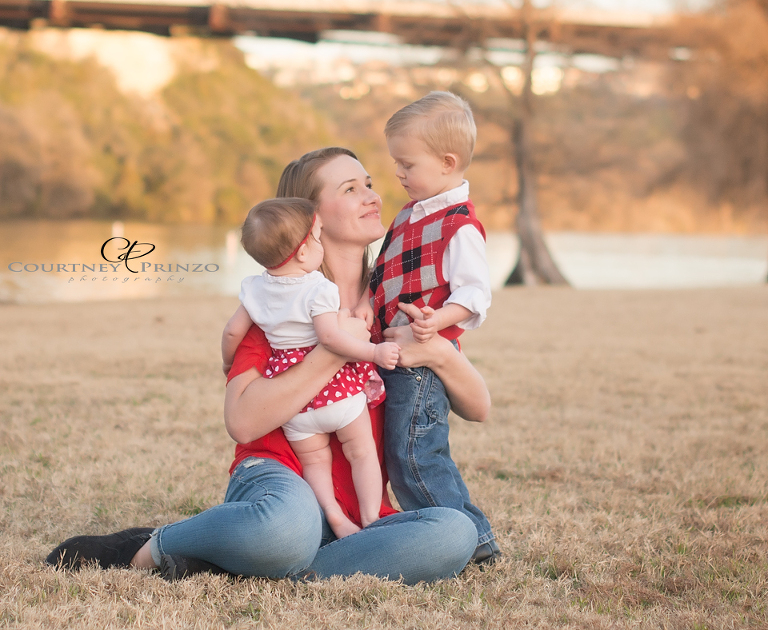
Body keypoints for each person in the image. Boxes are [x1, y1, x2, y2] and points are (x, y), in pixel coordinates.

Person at [45, 147, 492, 584]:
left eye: (370, 184)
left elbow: (478, 407)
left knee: (454, 531)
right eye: (351, 188)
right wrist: (336, 347)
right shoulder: (279, 306)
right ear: (308, 218)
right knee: (284, 528)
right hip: (279, 481)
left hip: (358, 506)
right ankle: (156, 544)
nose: (374, 196)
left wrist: (436, 353)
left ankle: (258, 565)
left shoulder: (395, 300)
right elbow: (242, 421)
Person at [362, 92, 499, 562]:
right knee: (401, 453)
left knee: (415, 455)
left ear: (447, 162)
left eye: (407, 164)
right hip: (393, 353)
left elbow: (474, 294)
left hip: (421, 365)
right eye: (396, 164)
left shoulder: (458, 226)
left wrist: (437, 320)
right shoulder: (409, 214)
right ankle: (459, 533)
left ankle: (469, 539)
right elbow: (384, 273)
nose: (398, 174)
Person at [220, 197, 400, 539]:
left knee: (316, 461)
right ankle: (371, 516)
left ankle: (332, 514)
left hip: (297, 407)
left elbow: (232, 331)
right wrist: (372, 352)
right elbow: (331, 337)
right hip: (337, 395)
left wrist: (229, 362)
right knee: (361, 451)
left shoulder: (255, 288)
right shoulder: (319, 288)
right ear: (303, 252)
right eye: (316, 237)